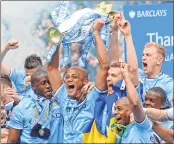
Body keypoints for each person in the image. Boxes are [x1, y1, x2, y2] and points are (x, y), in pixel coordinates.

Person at [46, 18, 109, 143]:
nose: (69, 79)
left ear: (85, 82)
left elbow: (105, 66)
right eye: (67, 77)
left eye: (74, 77)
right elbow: (52, 68)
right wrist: (56, 40)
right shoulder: (63, 94)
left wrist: (96, 32)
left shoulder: (94, 96)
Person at [7, 70, 63, 143]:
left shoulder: (60, 101)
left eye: (49, 82)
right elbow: (12, 141)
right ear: (33, 86)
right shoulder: (21, 108)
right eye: (43, 83)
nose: (48, 86)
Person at [113, 63, 155, 143]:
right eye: (115, 109)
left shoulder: (141, 125)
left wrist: (126, 77)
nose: (115, 112)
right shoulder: (123, 132)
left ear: (132, 111)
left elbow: (135, 103)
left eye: (119, 109)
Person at [139, 42, 173, 107]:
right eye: (143, 55)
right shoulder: (138, 75)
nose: (143, 58)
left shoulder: (167, 83)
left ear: (159, 60)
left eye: (148, 55)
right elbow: (115, 62)